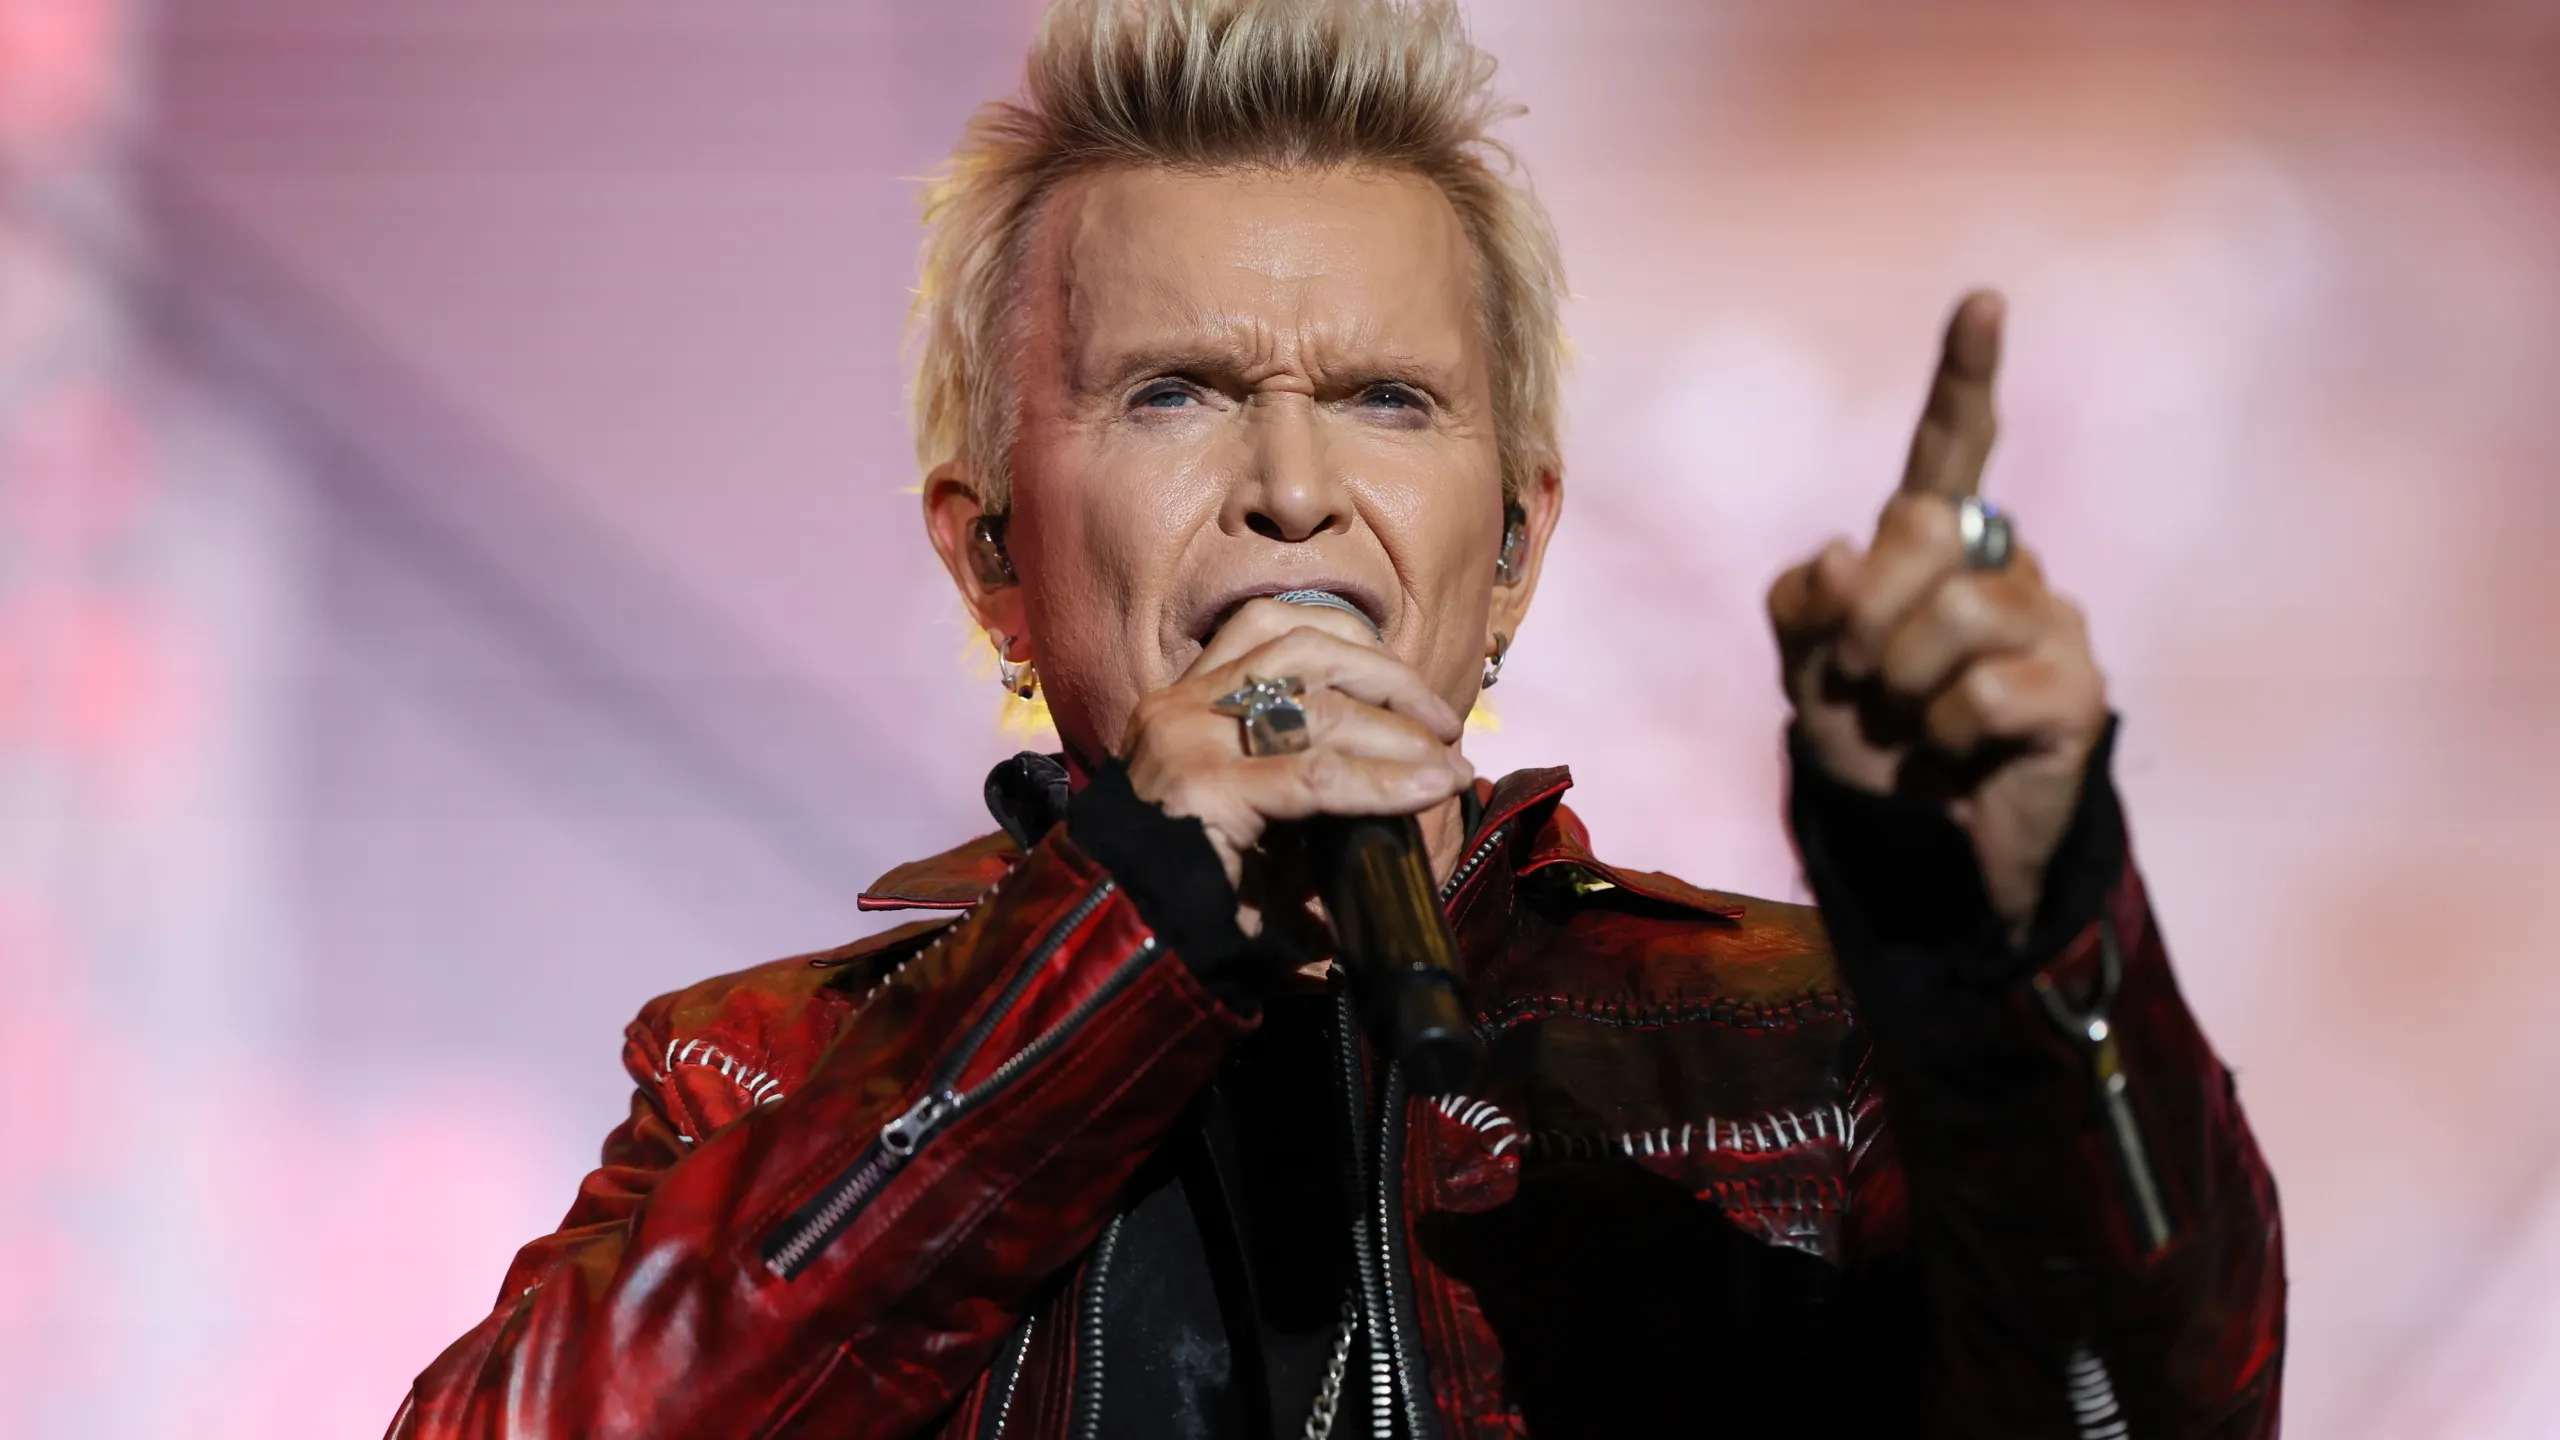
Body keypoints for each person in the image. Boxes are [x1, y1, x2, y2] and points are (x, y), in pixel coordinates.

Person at [387, 1, 2284, 1435]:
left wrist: (2012, 943)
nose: (1293, 490)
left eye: (1387, 399)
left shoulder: (1799, 1050)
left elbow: (2147, 1411)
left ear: (1515, 547)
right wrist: (1117, 945)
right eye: (1173, 394)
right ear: (990, 558)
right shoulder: (767, 1082)